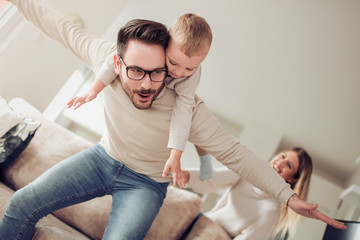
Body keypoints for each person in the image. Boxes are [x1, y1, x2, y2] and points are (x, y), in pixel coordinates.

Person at [0, 0, 346, 239]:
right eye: (137, 71)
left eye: (161, 73)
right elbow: (60, 28)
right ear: (118, 64)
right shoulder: (106, 59)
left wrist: (288, 197)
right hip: (102, 158)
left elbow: (237, 155)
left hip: (145, 185)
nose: (149, 83)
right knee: (23, 202)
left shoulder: (189, 106)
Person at [67, 13, 214, 188]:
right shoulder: (155, 52)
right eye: (173, 62)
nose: (179, 72)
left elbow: (183, 111)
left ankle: (205, 159)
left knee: (192, 123)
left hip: (185, 103)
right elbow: (111, 64)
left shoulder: (189, 78)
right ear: (168, 45)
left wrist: (176, 155)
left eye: (189, 68)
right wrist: (93, 91)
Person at [183, 147, 313, 239]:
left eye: (289, 165)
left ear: (292, 179)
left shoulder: (271, 209)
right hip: (203, 222)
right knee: (183, 203)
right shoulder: (249, 171)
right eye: (283, 156)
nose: (280, 162)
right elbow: (212, 180)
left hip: (217, 236)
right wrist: (185, 175)